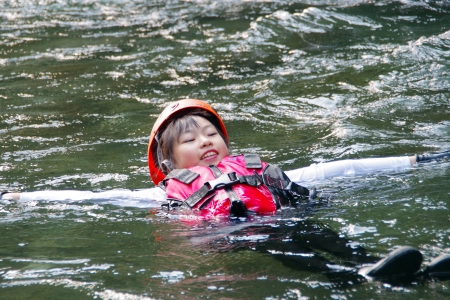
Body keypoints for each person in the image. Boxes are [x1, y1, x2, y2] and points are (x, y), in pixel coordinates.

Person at [2, 98, 450, 282]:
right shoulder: (165, 194)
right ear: (168, 164)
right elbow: (95, 200)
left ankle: (388, 268)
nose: (205, 142)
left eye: (211, 134)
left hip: (282, 215)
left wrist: (417, 161)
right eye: (191, 140)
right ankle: (357, 278)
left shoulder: (255, 169)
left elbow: (339, 169)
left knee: (329, 237)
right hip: (237, 236)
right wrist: (21, 198)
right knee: (299, 254)